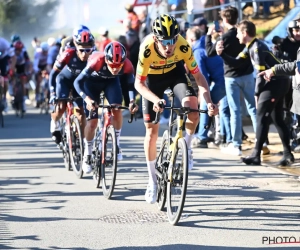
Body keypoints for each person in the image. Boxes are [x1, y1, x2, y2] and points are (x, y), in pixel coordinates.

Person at [134, 14, 218, 204]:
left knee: (193, 111)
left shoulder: (183, 46)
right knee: (151, 131)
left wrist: (209, 102)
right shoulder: (146, 49)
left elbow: (199, 78)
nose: (169, 46)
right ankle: (153, 182)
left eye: (172, 40)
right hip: (152, 81)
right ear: (156, 39)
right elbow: (138, 84)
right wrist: (155, 99)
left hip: (175, 75)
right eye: (164, 42)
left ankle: (186, 147)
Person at [216, 20, 294, 166]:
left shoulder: (257, 47)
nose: (237, 36)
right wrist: (221, 54)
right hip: (277, 81)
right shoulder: (250, 46)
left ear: (245, 33)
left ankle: (256, 154)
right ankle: (287, 154)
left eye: (239, 32)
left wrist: (257, 94)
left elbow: (260, 74)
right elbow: (237, 62)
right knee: (277, 119)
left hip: (275, 82)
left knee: (261, 117)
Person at [74, 41, 138, 174]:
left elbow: (130, 86)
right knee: (92, 122)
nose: (115, 69)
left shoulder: (127, 65)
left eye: (118, 66)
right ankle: (88, 152)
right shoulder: (96, 61)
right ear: (106, 59)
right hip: (91, 85)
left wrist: (131, 101)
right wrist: (87, 99)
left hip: (110, 83)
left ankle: (117, 144)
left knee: (117, 109)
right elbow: (77, 82)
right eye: (112, 65)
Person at [206, 6, 257, 156]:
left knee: (235, 111)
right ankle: (262, 141)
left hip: (231, 77)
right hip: (247, 74)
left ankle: (236, 145)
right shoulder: (241, 32)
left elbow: (209, 52)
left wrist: (209, 36)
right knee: (252, 109)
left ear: (224, 19)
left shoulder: (225, 37)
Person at [49, 26, 95, 146]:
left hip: (79, 84)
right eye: (81, 50)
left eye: (88, 50)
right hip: (64, 80)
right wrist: (53, 93)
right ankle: (55, 123)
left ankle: (82, 142)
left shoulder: (94, 55)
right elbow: (53, 74)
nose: (85, 54)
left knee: (81, 114)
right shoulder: (68, 53)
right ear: (75, 46)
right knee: (60, 108)